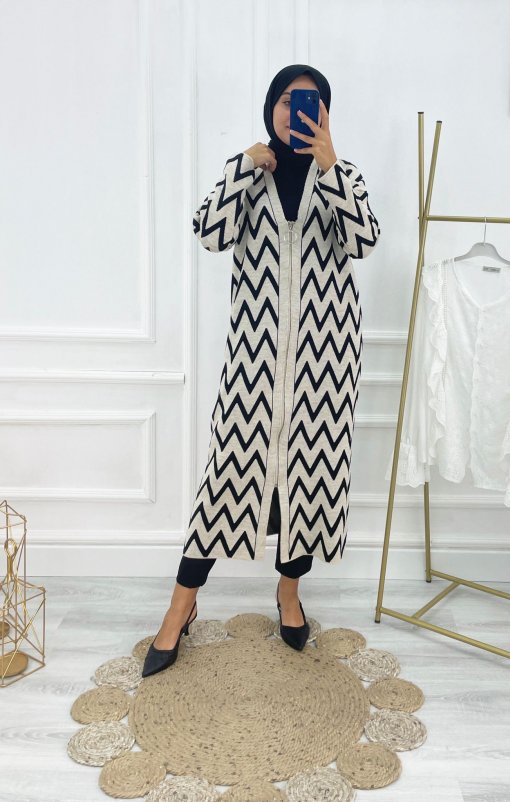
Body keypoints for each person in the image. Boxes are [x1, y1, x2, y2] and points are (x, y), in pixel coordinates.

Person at [143, 64, 380, 678]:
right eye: (285, 100)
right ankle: (181, 607)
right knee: (226, 477)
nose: (294, 111)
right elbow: (208, 232)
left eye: (309, 102)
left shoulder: (342, 175)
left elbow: (364, 241)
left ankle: (289, 593)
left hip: (325, 365)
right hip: (254, 364)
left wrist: (330, 165)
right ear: (270, 107)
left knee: (308, 482)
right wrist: (244, 166)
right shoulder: (251, 175)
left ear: (324, 112)